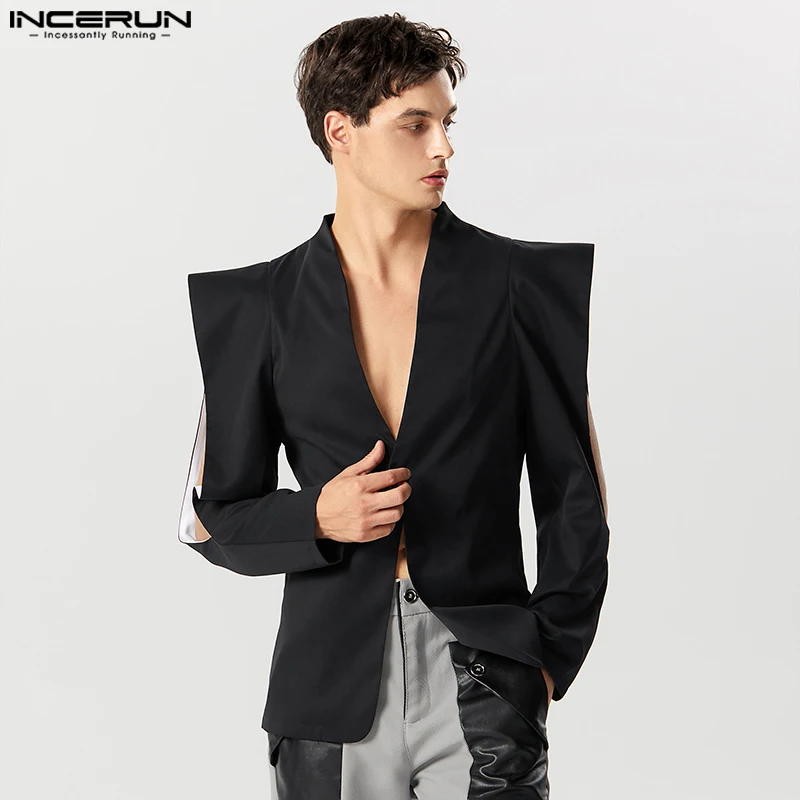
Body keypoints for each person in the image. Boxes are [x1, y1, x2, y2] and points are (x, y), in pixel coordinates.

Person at [178, 12, 609, 799]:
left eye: (447, 123)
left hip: (483, 675)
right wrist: (318, 516)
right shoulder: (254, 306)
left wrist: (546, 655)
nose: (443, 148)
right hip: (329, 688)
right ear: (340, 131)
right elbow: (211, 519)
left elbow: (574, 495)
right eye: (415, 125)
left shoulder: (521, 287)